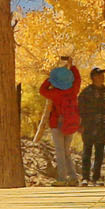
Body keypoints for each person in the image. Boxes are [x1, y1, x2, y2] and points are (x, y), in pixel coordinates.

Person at [38, 55, 82, 184]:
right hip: (71, 124)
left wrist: (49, 80)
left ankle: (62, 178)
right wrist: (72, 66)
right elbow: (78, 79)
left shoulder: (55, 93)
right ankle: (73, 177)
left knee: (60, 152)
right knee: (66, 151)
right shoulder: (73, 91)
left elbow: (42, 90)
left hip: (58, 124)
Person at [79, 68, 105, 184]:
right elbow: (79, 109)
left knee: (99, 153)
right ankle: (85, 177)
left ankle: (96, 178)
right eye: (100, 75)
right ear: (94, 77)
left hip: (102, 127)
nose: (102, 77)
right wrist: (80, 124)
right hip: (89, 126)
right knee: (87, 152)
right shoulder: (86, 92)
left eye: (103, 75)